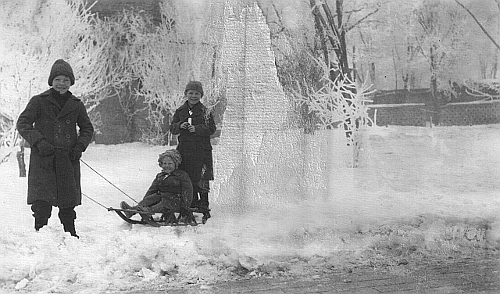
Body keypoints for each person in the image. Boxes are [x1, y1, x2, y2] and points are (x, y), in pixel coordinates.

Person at [16, 59, 94, 238]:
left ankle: (70, 233)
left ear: (71, 82)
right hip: (44, 157)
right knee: (42, 198)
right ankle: (40, 231)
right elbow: (23, 123)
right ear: (51, 81)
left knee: (67, 198)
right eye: (58, 79)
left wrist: (79, 147)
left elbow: (87, 128)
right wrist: (39, 142)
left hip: (68, 158)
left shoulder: (76, 104)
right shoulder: (38, 101)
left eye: (66, 80)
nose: (62, 84)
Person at [169, 81, 216, 222]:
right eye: (191, 93)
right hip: (185, 151)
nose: (194, 96)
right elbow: (172, 128)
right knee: (187, 178)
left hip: (201, 151)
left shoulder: (205, 111)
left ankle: (204, 205)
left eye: (197, 93)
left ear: (201, 95)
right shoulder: (180, 111)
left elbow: (211, 129)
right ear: (186, 94)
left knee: (201, 178)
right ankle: (190, 203)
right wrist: (179, 125)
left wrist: (197, 129)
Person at [120, 149, 196, 225]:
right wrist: (145, 201)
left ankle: (148, 211)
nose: (167, 166)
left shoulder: (182, 176)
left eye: (170, 163)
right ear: (161, 164)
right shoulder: (160, 176)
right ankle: (132, 210)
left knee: (165, 201)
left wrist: (185, 207)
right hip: (162, 198)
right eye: (164, 163)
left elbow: (188, 192)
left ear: (175, 164)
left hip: (176, 202)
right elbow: (152, 190)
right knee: (154, 197)